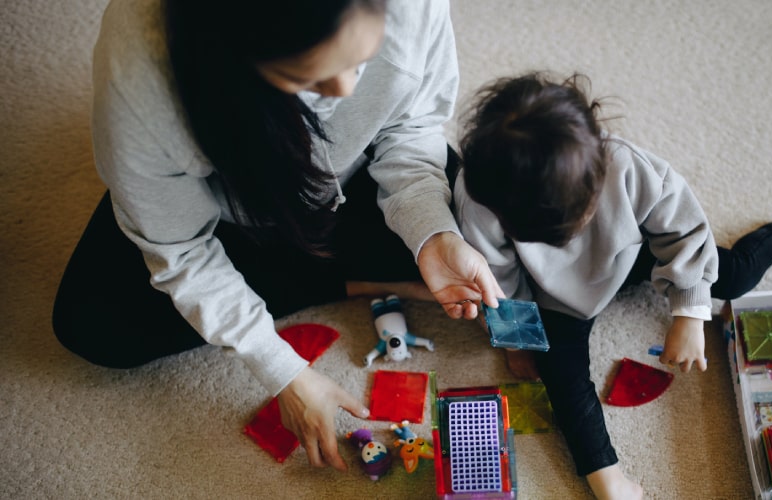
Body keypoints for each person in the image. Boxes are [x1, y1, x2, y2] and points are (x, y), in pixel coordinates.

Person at [51, 0, 502, 473]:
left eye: (360, 61)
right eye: (310, 81)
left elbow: (411, 126)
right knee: (93, 324)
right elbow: (180, 249)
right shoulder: (142, 85)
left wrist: (431, 232)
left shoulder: (415, 8)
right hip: (232, 213)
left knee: (490, 219)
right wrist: (283, 372)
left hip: (353, 182)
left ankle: (332, 276)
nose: (348, 90)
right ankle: (349, 280)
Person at [453, 72, 772, 500]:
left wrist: (689, 311)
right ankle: (606, 476)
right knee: (562, 380)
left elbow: (686, 235)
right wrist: (517, 341)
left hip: (632, 250)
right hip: (556, 296)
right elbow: (496, 279)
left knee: (735, 275)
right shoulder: (481, 197)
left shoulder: (629, 167)